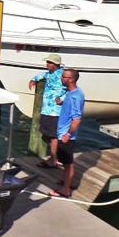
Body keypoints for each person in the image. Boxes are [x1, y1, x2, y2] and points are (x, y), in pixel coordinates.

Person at [28, 54, 67, 169]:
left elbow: (71, 89)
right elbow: (42, 75)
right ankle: (54, 157)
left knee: (53, 135)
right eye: (47, 62)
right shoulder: (50, 74)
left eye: (50, 63)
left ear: (56, 64)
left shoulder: (63, 75)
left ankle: (54, 159)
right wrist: (33, 80)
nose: (47, 65)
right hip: (46, 110)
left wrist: (63, 99)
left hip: (55, 111)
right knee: (48, 135)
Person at [50, 69, 85, 198]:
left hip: (66, 135)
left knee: (68, 163)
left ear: (71, 79)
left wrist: (68, 135)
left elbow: (77, 119)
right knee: (65, 162)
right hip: (62, 132)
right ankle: (66, 182)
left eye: (64, 77)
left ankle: (66, 190)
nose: (62, 78)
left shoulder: (76, 96)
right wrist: (62, 103)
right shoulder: (71, 93)